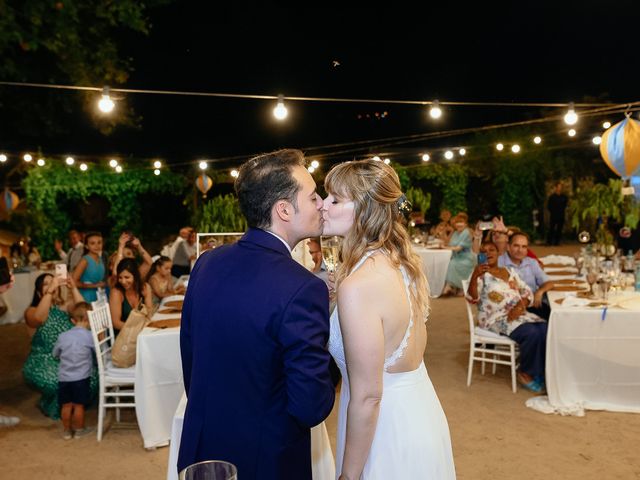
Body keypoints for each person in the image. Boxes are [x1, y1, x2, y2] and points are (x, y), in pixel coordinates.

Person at [178, 149, 335, 479]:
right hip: (267, 460)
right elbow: (311, 405)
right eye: (312, 196)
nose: (322, 203)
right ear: (284, 209)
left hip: (204, 449)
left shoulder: (207, 263)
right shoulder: (303, 288)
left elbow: (192, 363)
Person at [322, 159, 455, 479]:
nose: (323, 205)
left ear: (366, 211)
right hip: (420, 415)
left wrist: (349, 475)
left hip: (385, 434)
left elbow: (368, 396)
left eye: (335, 199)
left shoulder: (359, 284)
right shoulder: (401, 263)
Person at [467, 240, 548, 393]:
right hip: (495, 318)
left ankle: (537, 371)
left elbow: (526, 291)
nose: (488, 253)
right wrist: (474, 276)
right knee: (531, 333)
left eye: (492, 250)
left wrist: (520, 305)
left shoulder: (509, 271)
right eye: (484, 251)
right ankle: (525, 373)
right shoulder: (480, 275)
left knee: (544, 328)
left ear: (499, 254)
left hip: (519, 314)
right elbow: (473, 298)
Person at [23, 274, 97, 419]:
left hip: (68, 358)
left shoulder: (65, 307)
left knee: (92, 377)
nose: (53, 284)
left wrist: (74, 288)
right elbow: (40, 318)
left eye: (54, 282)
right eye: (46, 283)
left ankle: (75, 407)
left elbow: (84, 312)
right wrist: (50, 291)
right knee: (60, 382)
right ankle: (50, 404)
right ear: (39, 292)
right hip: (42, 360)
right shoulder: (30, 312)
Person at [52, 302, 95, 439]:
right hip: (81, 378)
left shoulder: (62, 336)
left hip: (64, 378)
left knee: (66, 405)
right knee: (78, 406)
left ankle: (66, 431)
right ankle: (79, 430)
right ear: (90, 319)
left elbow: (55, 353)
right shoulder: (90, 336)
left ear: (72, 320)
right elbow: (98, 353)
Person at [498, 232, 554, 319]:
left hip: (532, 304)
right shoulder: (499, 263)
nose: (520, 250)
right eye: (516, 246)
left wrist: (540, 291)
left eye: (524, 246)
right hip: (508, 307)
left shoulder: (531, 262)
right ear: (508, 247)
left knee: (555, 315)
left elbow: (549, 283)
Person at [109, 258, 153, 332]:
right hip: (124, 335)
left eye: (127, 277)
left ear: (135, 276)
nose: (123, 281)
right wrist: (137, 329)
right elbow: (116, 323)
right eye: (120, 277)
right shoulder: (116, 292)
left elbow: (149, 314)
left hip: (141, 331)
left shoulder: (144, 288)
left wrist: (146, 298)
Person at [442, 212, 476, 296]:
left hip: (466, 257)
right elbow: (449, 243)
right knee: (449, 263)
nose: (459, 225)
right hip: (457, 256)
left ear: (465, 224)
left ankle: (452, 286)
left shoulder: (466, 232)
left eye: (461, 223)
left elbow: (458, 248)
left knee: (452, 264)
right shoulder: (456, 233)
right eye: (457, 223)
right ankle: (451, 286)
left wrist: (445, 248)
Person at [72, 231, 107, 303]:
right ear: (86, 246)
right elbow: (73, 282)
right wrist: (94, 286)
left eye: (99, 242)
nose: (97, 246)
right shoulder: (85, 260)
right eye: (92, 243)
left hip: (100, 296)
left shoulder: (100, 258)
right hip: (87, 296)